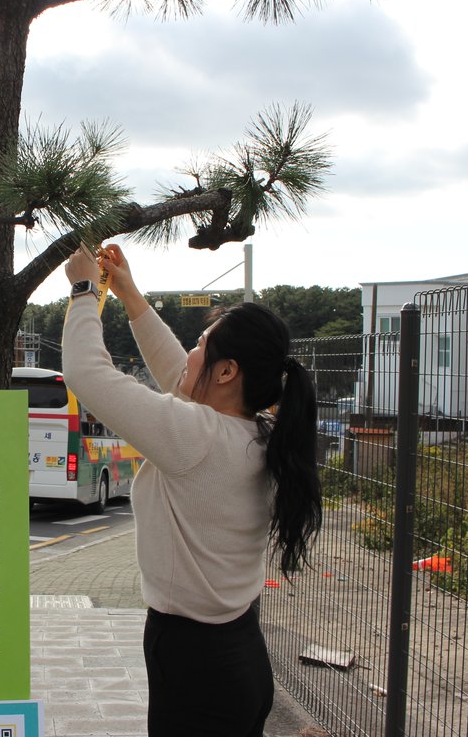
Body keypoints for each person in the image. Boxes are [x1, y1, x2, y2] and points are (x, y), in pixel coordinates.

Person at [61, 244, 321, 737]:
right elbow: (179, 375)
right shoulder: (256, 435)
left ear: (227, 372)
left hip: (196, 668)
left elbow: (87, 374)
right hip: (237, 654)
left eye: (202, 342)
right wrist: (130, 294)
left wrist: (83, 292)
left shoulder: (195, 437)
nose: (191, 352)